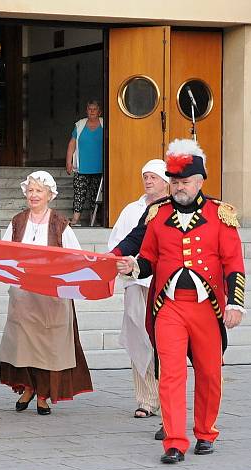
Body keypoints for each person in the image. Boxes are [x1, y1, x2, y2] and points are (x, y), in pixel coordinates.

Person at [116, 139, 246, 464]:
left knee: (209, 372)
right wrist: (134, 267)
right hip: (169, 306)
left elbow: (234, 263)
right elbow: (148, 258)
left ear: (200, 181)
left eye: (184, 182)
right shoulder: (158, 215)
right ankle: (174, 441)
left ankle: (205, 431)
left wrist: (235, 303)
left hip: (207, 308)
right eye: (174, 182)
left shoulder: (221, 215)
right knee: (172, 373)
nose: (179, 187)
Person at [0, 170, 93, 415]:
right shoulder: (17, 222)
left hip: (52, 297)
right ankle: (28, 387)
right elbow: (4, 253)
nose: (33, 195)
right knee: (23, 344)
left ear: (50, 195)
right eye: (30, 190)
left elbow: (76, 258)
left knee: (49, 347)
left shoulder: (60, 224)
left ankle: (43, 393)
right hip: (24, 296)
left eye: (39, 191)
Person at [107, 159, 170, 419]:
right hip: (135, 283)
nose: (148, 181)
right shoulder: (132, 210)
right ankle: (145, 399)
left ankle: (166, 398)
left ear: (166, 181)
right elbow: (123, 241)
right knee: (137, 339)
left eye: (153, 177)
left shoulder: (170, 208)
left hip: (162, 285)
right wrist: (114, 261)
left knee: (164, 341)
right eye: (145, 176)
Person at [65, 100, 104, 226]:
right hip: (82, 168)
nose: (92, 111)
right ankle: (76, 220)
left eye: (94, 109)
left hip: (100, 168)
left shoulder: (105, 123)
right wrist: (68, 161)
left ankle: (94, 220)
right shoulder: (80, 125)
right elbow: (72, 143)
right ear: (86, 111)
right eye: (89, 109)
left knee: (96, 196)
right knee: (79, 194)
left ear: (99, 111)